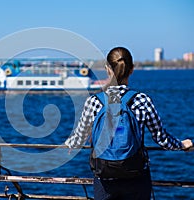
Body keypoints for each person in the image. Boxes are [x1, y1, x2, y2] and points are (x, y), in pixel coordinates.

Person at [65, 47, 193, 200]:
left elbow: (79, 139)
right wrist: (182, 145)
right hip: (135, 175)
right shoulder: (142, 100)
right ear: (132, 70)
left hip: (105, 177)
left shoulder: (94, 102)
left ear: (107, 70)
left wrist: (69, 143)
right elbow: (161, 139)